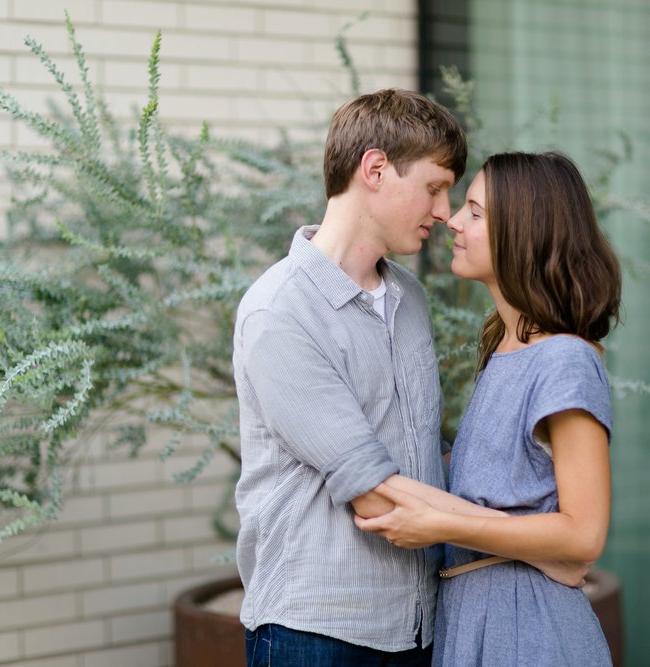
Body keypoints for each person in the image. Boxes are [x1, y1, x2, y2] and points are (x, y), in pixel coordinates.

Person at [355, 151, 622, 666]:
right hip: (472, 619)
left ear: (524, 233)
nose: (452, 219)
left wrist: (441, 525)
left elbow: (585, 534)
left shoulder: (563, 360)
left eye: (474, 212)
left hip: (530, 631)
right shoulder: (503, 344)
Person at [231, 88, 468, 666]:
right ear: (376, 168)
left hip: (417, 627)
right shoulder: (279, 310)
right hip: (314, 634)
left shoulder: (409, 298)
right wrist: (544, 541)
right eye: (435, 187)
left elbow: (419, 451)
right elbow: (373, 492)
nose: (444, 210)